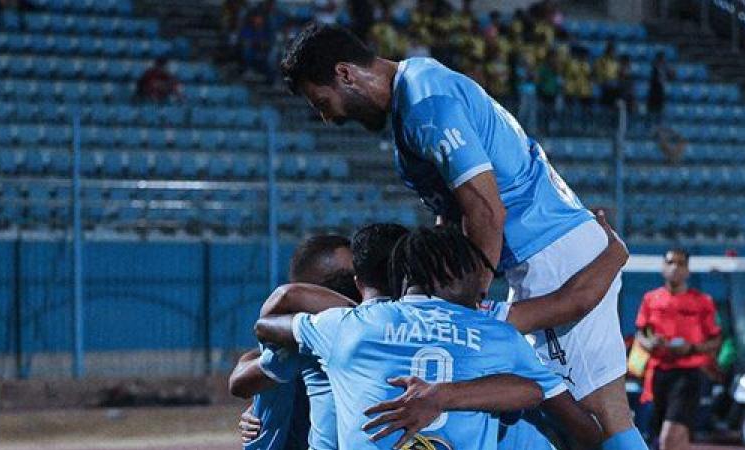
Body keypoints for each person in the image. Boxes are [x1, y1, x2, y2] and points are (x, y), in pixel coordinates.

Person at [279, 23, 647, 449]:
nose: (329, 118)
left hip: (551, 255)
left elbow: (486, 211)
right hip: (536, 257)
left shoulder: (426, 104)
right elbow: (454, 217)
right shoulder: (413, 99)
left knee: (595, 414)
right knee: (538, 413)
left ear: (345, 74)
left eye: (323, 103)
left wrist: (468, 305)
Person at [242, 214, 628, 449]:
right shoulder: (492, 323)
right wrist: (615, 252)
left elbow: (256, 350)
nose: (483, 283)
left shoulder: (348, 327)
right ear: (451, 273)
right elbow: (562, 408)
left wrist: (292, 296)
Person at [230, 234, 359, 450]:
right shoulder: (296, 338)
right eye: (344, 280)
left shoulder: (363, 332)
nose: (357, 285)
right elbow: (240, 380)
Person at [635, 248, 722, 450]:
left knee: (669, 436)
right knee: (671, 438)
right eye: (670, 262)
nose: (675, 267)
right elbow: (641, 333)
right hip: (657, 373)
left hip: (688, 375)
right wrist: (649, 344)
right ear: (663, 267)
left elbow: (716, 340)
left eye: (681, 263)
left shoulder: (702, 302)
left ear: (688, 270)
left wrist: (691, 348)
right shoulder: (650, 299)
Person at [647, 51, 673, 128]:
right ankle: (652, 127)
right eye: (662, 59)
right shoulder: (655, 68)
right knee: (653, 113)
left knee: (660, 113)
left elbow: (671, 76)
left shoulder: (664, 69)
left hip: (660, 94)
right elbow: (656, 80)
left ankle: (659, 127)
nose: (664, 61)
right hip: (654, 94)